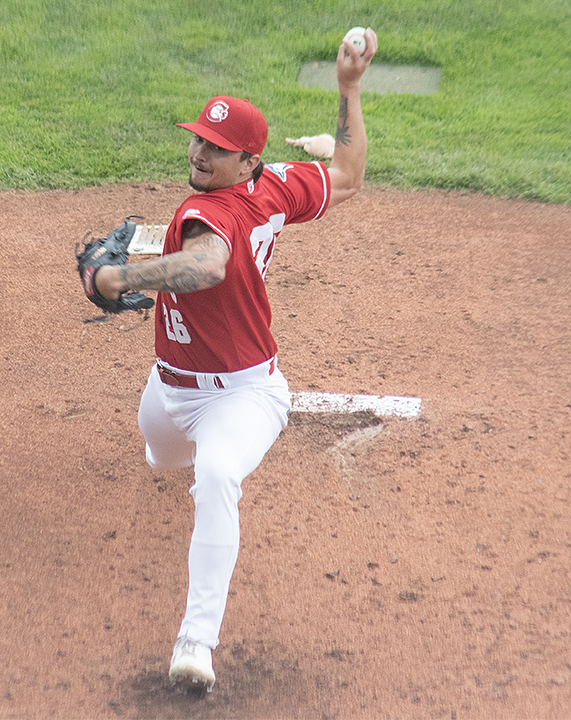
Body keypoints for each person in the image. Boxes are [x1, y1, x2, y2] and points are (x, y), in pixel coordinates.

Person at [94, 28, 378, 693]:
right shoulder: (275, 184)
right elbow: (347, 174)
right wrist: (349, 88)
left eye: (216, 150)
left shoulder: (204, 211)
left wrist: (119, 280)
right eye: (197, 139)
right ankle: (174, 444)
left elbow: (205, 265)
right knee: (163, 455)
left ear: (245, 163)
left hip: (243, 394)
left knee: (216, 475)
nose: (199, 154)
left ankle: (196, 645)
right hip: (168, 389)